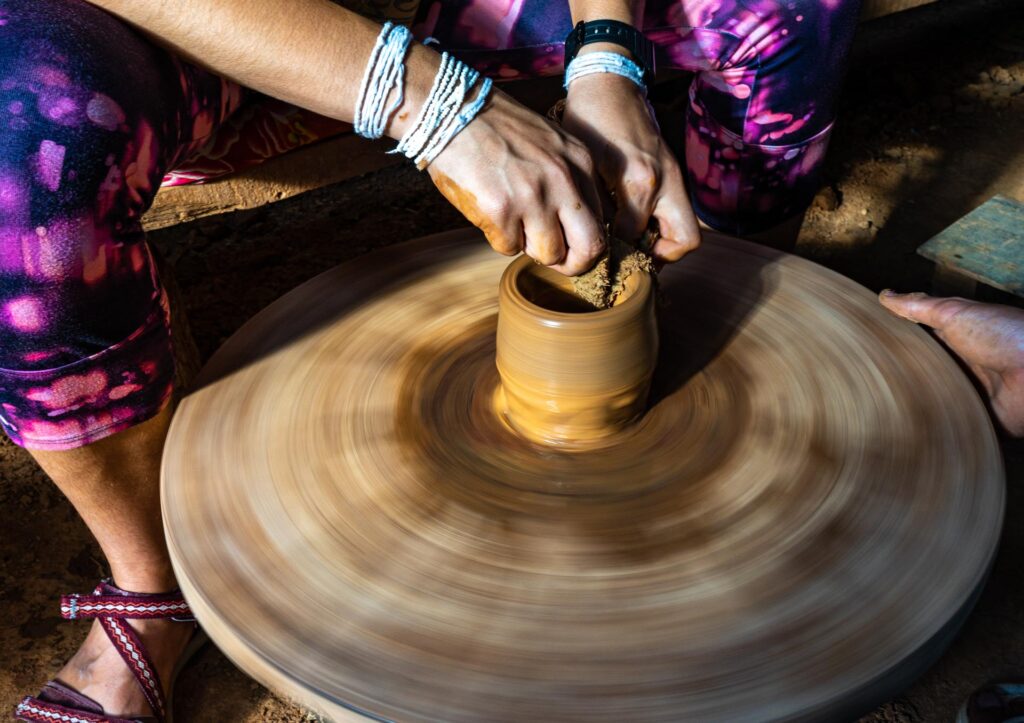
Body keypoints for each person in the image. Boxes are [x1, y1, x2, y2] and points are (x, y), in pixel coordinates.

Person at [2, 0, 864, 720]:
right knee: (16, 175)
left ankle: (725, 301)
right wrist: (427, 98)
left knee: (789, 10)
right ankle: (155, 585)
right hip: (203, 28)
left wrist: (609, 52)